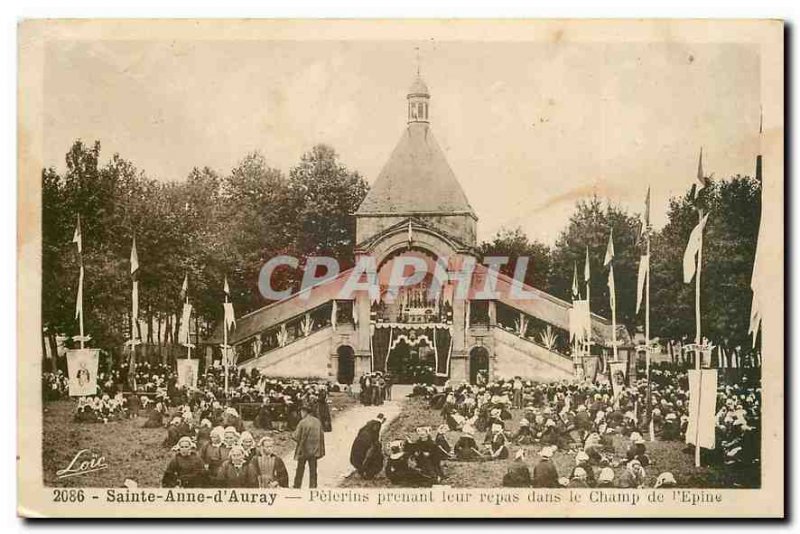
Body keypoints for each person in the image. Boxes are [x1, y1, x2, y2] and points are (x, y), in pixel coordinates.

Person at [292, 404, 325, 488]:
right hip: (314, 451)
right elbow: (321, 435)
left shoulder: (302, 422)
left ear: (305, 412)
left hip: (304, 450)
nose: (301, 414)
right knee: (313, 470)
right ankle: (313, 486)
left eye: (301, 412)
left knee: (300, 469)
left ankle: (297, 486)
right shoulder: (318, 421)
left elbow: (295, 436)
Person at [350, 413, 385, 479]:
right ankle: (368, 472)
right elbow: (369, 453)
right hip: (362, 462)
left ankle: (362, 470)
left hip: (355, 461)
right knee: (377, 454)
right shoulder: (369, 437)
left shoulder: (364, 431)